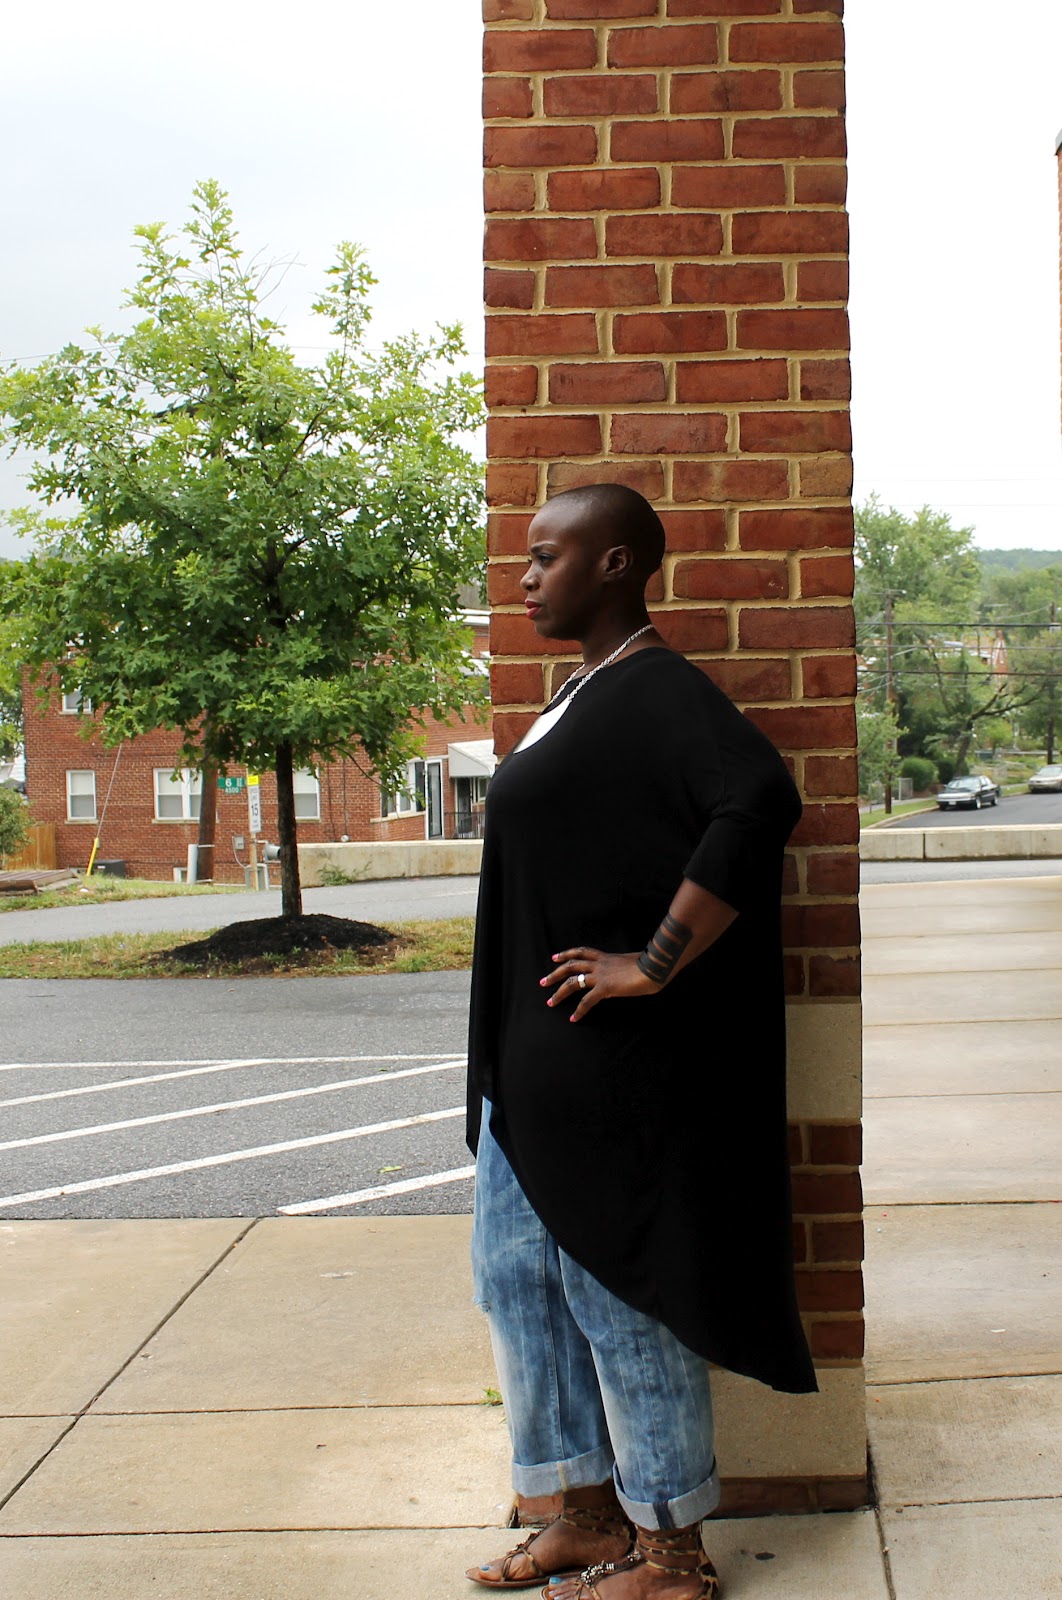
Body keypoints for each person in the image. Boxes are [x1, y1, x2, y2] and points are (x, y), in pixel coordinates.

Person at [465, 483, 815, 1600]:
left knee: (620, 1295)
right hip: (532, 1068)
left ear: (615, 564)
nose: (524, 579)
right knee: (519, 1285)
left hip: (610, 1071)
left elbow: (758, 799)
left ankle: (671, 1554)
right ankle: (581, 1515)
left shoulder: (658, 686)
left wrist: (652, 962)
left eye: (546, 557)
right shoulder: (577, 693)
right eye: (527, 559)